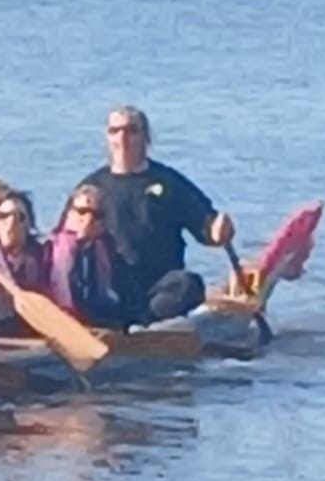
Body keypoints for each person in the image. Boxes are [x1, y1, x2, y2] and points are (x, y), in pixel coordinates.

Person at [79, 105, 235, 324]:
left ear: (146, 138)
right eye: (115, 131)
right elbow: (66, 241)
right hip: (111, 292)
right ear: (107, 137)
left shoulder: (169, 182)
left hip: (159, 291)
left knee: (189, 284)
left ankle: (145, 327)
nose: (123, 138)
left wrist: (219, 230)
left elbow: (207, 227)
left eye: (131, 130)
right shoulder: (91, 188)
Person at [46, 184, 126, 328]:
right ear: (69, 213)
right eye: (82, 212)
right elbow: (61, 290)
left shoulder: (104, 247)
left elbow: (107, 292)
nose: (88, 220)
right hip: (62, 317)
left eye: (97, 215)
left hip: (96, 316)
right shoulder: (56, 247)